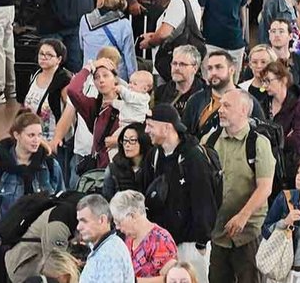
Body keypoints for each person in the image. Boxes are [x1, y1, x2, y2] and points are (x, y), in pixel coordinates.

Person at [0, 110, 64, 283]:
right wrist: (0, 238)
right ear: (16, 135)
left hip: (40, 245)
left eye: (39, 135)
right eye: (31, 135)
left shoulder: (50, 165)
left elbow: (61, 200)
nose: (36, 140)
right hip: (9, 245)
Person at [143, 104, 219, 283]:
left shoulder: (194, 157)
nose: (146, 131)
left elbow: (204, 202)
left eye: (151, 126)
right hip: (162, 244)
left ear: (167, 127)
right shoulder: (154, 156)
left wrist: (201, 243)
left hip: (190, 245)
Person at [209, 88, 275, 283]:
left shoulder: (258, 143)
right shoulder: (210, 141)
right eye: (220, 105)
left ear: (244, 110)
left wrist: (243, 216)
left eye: (227, 106)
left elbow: (265, 187)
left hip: (249, 233)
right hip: (219, 233)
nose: (220, 110)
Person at [139, 0, 205, 80]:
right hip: (184, 63)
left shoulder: (178, 2)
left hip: (168, 65)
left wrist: (150, 42)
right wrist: (154, 34)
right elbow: (179, 30)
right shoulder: (195, 2)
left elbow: (164, 33)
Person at [183, 50, 264, 141]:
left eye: (219, 67)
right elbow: (185, 137)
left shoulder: (248, 101)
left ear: (232, 70)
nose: (213, 72)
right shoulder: (196, 101)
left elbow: (260, 135)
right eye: (210, 68)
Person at [110, 190, 178, 280]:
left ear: (132, 216)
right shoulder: (129, 238)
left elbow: (169, 279)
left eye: (119, 222)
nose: (117, 227)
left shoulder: (162, 240)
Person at [67, 57, 120, 171]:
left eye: (105, 75)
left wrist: (120, 140)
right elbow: (72, 90)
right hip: (100, 170)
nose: (101, 80)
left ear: (115, 79)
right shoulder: (94, 106)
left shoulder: (128, 104)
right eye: (96, 77)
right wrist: (90, 67)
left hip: (121, 169)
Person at [79, 0, 137, 82]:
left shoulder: (85, 20)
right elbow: (129, 57)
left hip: (91, 77)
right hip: (115, 78)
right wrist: (134, 81)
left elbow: (82, 46)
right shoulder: (124, 24)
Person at [261, 60, 300, 181]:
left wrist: (271, 141)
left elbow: (297, 140)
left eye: (268, 81)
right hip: (267, 165)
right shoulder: (263, 104)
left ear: (283, 80)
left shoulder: (298, 107)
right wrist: (283, 138)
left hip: (290, 167)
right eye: (263, 81)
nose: (264, 86)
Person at [76, 194, 134, 283]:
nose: (78, 227)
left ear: (102, 220)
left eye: (84, 221)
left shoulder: (110, 254)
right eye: (79, 221)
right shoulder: (107, 247)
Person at [24, 39, 72, 141]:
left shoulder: (64, 80)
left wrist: (57, 140)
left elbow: (70, 112)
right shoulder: (35, 74)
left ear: (59, 59)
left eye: (49, 55)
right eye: (41, 54)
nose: (43, 57)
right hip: (32, 139)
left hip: (53, 141)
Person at [103, 122, 152, 201]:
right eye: (125, 140)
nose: (127, 145)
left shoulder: (153, 166)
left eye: (132, 140)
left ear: (143, 140)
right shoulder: (113, 169)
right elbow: (107, 200)